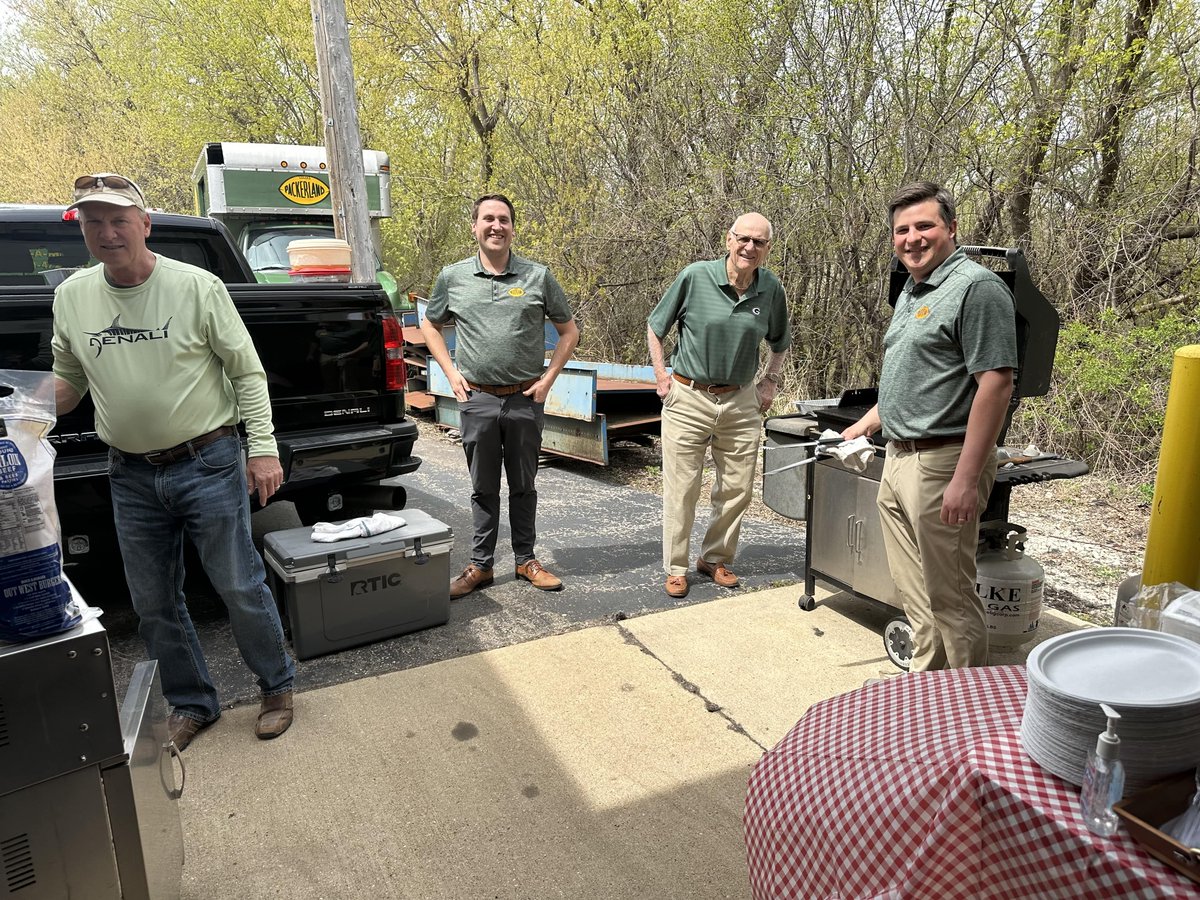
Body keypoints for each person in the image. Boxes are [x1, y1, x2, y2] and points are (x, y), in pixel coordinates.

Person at [51, 173, 296, 750]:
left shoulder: (196, 287)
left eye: (119, 220)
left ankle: (277, 687)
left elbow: (247, 372)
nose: (107, 232)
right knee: (153, 602)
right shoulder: (72, 297)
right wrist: (21, 410)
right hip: (130, 473)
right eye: (93, 221)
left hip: (208, 460)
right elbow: (69, 382)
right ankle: (193, 704)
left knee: (238, 585)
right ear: (82, 229)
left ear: (144, 225)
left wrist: (262, 448)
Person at [842, 181, 1017, 671]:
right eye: (902, 230)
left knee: (951, 597)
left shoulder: (977, 288)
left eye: (925, 226)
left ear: (952, 228)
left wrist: (965, 478)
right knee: (915, 593)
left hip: (943, 463)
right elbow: (918, 376)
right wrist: (867, 422)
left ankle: (966, 699)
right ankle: (927, 687)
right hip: (898, 458)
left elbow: (996, 384)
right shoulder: (913, 287)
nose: (912, 238)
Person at [420, 193, 580, 599]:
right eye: (488, 219)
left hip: (525, 399)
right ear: (474, 226)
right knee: (483, 487)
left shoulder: (537, 276)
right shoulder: (453, 277)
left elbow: (569, 331)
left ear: (512, 227)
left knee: (524, 484)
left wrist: (548, 380)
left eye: (504, 219)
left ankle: (525, 560)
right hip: (479, 400)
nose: (496, 226)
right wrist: (450, 372)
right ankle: (481, 565)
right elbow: (430, 325)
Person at [647, 213, 791, 598]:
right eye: (744, 239)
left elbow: (780, 342)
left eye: (759, 242)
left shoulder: (770, 288)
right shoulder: (696, 276)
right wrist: (661, 377)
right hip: (688, 395)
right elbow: (655, 327)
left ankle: (715, 558)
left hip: (740, 399)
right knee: (682, 488)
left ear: (767, 249)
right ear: (729, 240)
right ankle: (676, 567)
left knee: (737, 487)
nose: (749, 247)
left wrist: (770, 381)